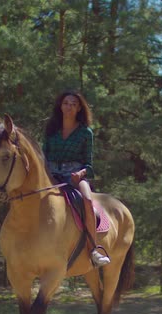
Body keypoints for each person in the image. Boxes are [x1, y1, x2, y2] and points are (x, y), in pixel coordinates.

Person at [42, 91, 111, 268]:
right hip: (50, 175)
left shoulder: (85, 133)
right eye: (66, 103)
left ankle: (94, 251)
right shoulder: (51, 130)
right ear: (60, 106)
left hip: (75, 175)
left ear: (79, 108)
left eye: (73, 104)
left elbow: (89, 164)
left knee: (87, 200)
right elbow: (44, 155)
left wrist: (80, 174)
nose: (69, 106)